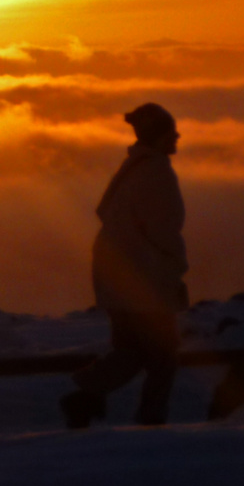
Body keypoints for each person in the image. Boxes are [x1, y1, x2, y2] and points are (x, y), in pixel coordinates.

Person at [62, 102, 188, 429]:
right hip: (144, 281)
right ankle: (150, 419)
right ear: (157, 136)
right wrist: (176, 271)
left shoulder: (132, 166)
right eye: (171, 132)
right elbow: (164, 232)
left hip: (112, 275)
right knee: (163, 355)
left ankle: (85, 396)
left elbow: (104, 211)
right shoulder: (157, 172)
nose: (176, 137)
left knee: (131, 351)